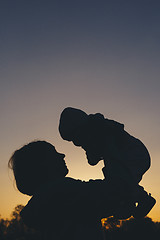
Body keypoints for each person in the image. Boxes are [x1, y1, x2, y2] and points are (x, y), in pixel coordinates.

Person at [8, 140, 131, 240]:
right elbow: (110, 193)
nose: (62, 155)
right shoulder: (62, 190)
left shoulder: (45, 201)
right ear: (42, 166)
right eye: (53, 153)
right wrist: (113, 157)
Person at [59, 107, 156, 219]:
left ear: (82, 128)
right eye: (72, 141)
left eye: (75, 137)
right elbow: (94, 159)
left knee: (117, 178)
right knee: (118, 178)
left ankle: (136, 199)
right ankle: (130, 199)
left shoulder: (102, 131)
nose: (76, 142)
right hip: (130, 156)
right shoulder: (91, 136)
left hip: (134, 155)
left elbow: (110, 153)